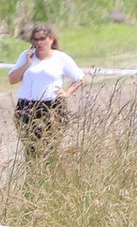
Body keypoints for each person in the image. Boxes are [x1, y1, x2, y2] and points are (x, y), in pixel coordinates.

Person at [9, 25, 85, 156]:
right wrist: (27, 63)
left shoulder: (61, 58)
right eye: (36, 39)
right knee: (31, 149)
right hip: (26, 106)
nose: (39, 43)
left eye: (42, 39)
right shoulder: (26, 56)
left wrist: (67, 92)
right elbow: (12, 79)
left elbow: (79, 78)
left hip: (52, 107)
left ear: (51, 39)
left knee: (50, 148)